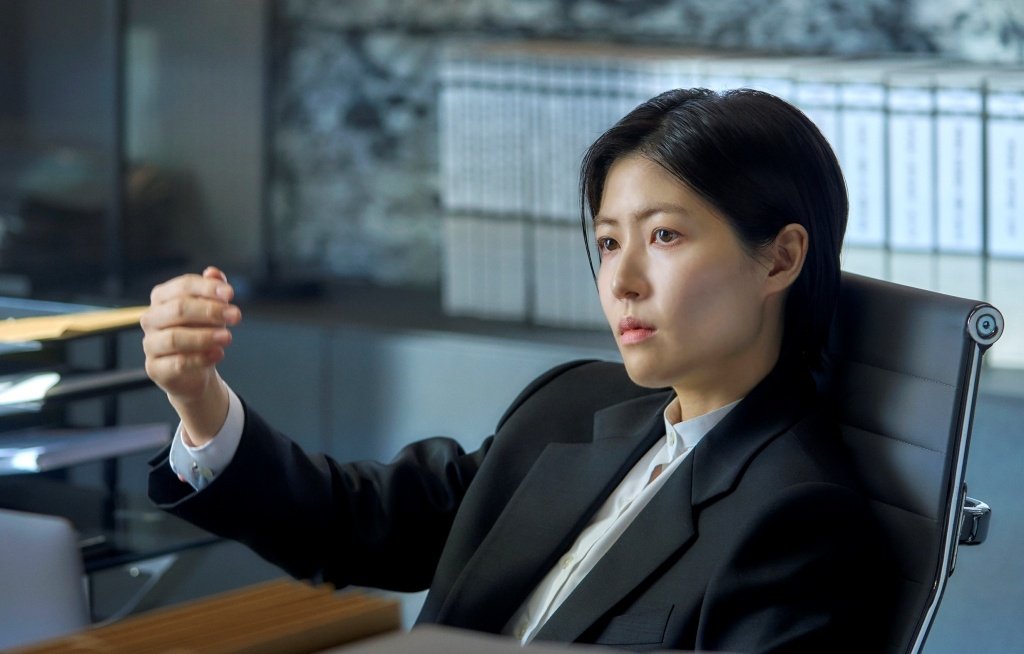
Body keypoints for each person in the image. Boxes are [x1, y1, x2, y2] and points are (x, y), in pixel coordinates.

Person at [143, 88, 894, 652]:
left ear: (781, 258)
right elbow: (354, 524)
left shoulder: (798, 521)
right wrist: (200, 400)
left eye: (664, 235)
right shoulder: (568, 407)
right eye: (608, 242)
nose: (622, 281)